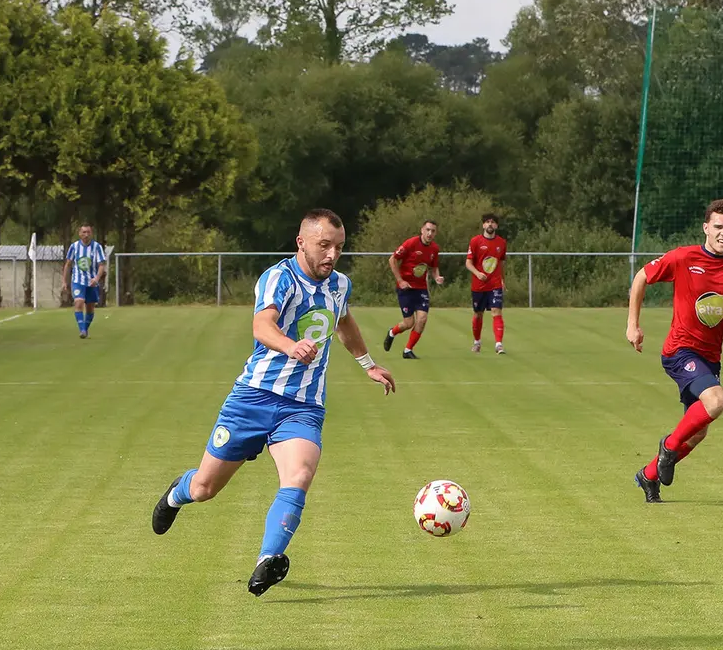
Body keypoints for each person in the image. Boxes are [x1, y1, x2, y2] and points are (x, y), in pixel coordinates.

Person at [151, 209, 396, 597]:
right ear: (302, 242)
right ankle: (175, 494)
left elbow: (343, 322)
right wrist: (289, 344)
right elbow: (262, 325)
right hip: (252, 400)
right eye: (324, 246)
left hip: (303, 407)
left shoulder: (340, 285)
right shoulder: (278, 278)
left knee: (299, 475)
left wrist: (367, 364)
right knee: (204, 488)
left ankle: (267, 561)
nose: (332, 255)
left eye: (339, 247)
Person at [626, 199, 723, 503]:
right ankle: (668, 447)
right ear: (706, 228)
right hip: (680, 351)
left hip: (710, 357)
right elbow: (642, 276)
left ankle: (647, 476)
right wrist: (633, 325)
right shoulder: (684, 257)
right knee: (717, 401)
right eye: (718, 227)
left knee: (698, 432)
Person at [383, 220, 443, 359]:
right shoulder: (411, 243)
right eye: (427, 230)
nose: (430, 233)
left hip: (421, 288)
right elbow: (392, 259)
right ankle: (392, 332)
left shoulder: (434, 248)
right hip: (406, 288)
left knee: (422, 319)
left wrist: (437, 277)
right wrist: (400, 280)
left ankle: (407, 350)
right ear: (422, 230)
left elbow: (434, 268)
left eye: (433, 231)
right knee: (408, 323)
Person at [466, 213, 508, 354]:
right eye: (487, 222)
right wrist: (477, 273)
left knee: (497, 312)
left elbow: (501, 263)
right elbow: (468, 262)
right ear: (483, 225)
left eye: (493, 222)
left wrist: (502, 280)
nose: (490, 224)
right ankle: (477, 342)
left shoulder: (501, 243)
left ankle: (499, 345)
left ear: (496, 225)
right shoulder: (475, 241)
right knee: (478, 314)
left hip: (494, 284)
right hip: (478, 285)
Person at [61, 224, 107, 339]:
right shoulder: (74, 246)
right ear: (79, 234)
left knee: (90, 308)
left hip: (92, 282)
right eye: (84, 232)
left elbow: (102, 265)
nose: (86, 235)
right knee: (79, 302)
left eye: (88, 232)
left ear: (91, 234)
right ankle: (82, 330)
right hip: (78, 280)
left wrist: (96, 279)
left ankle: (85, 329)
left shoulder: (97, 247)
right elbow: (68, 264)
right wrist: (64, 281)